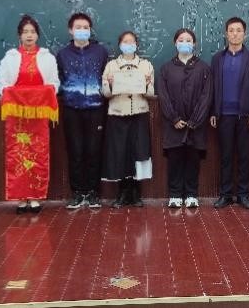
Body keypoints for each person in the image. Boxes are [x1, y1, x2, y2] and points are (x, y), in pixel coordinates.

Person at [0, 15, 59, 214]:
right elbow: (2, 86)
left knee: (38, 153)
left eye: (32, 32)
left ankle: (35, 197)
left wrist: (36, 96)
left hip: (38, 115)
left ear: (38, 35)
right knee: (17, 154)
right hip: (17, 116)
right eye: (25, 32)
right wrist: (20, 96)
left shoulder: (48, 58)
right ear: (19, 35)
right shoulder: (10, 58)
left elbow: (54, 84)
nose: (29, 35)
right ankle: (20, 198)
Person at [210, 17, 249, 210]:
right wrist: (213, 111)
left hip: (245, 116)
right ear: (226, 34)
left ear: (244, 34)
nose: (235, 34)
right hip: (223, 115)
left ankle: (243, 195)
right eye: (231, 30)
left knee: (244, 156)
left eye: (239, 30)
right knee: (225, 156)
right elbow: (213, 87)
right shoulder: (218, 58)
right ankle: (225, 195)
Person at [57, 12, 109, 209]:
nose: (82, 31)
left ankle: (93, 193)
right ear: (70, 30)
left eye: (85, 28)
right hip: (71, 109)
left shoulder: (101, 52)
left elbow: (106, 77)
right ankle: (77, 192)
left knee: (94, 151)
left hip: (96, 108)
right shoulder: (62, 54)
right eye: (78, 27)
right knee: (75, 151)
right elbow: (58, 79)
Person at [157, 28, 213, 208]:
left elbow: (206, 95)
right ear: (175, 43)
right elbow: (163, 96)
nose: (185, 43)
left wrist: (195, 120)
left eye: (189, 40)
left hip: (196, 125)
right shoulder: (166, 68)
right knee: (174, 159)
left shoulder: (203, 68)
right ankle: (174, 195)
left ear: (194, 44)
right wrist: (173, 118)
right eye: (181, 40)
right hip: (173, 124)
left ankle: (191, 194)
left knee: (193, 160)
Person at [101, 31, 155, 208]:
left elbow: (150, 93)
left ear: (137, 45)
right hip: (117, 115)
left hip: (139, 114)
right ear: (120, 45)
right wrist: (109, 83)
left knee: (138, 152)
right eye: (125, 42)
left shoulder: (146, 65)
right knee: (120, 152)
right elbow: (105, 93)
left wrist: (146, 83)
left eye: (132, 42)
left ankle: (136, 193)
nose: (129, 45)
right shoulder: (111, 66)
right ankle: (122, 193)